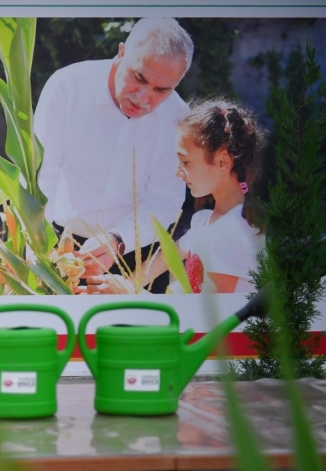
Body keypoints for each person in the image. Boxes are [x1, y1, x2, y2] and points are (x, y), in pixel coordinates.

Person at [33, 18, 194, 275]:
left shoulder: (178, 117)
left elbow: (165, 199)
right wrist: (39, 246)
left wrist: (119, 239)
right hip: (56, 242)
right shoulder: (67, 87)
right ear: (121, 53)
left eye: (161, 90)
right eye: (138, 77)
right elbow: (42, 174)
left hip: (131, 251)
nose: (143, 98)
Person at [83, 99, 265, 295]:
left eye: (185, 162)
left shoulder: (233, 232)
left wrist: (127, 294)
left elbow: (213, 318)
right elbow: (163, 259)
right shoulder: (205, 221)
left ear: (223, 161)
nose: (178, 172)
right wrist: (113, 289)